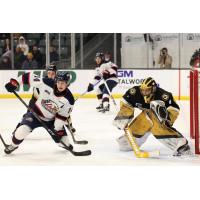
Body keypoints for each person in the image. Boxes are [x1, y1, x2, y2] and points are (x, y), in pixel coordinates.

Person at [113, 77, 192, 156]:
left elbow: (174, 109)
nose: (144, 92)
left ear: (153, 89)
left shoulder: (163, 95)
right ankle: (130, 143)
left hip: (161, 117)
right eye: (142, 90)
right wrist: (123, 117)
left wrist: (166, 119)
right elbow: (126, 103)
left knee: (156, 126)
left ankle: (181, 146)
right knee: (125, 145)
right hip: (147, 114)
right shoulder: (135, 92)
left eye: (147, 90)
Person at [4, 71, 75, 154]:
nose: (60, 85)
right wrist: (15, 82)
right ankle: (13, 145)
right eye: (58, 82)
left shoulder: (69, 99)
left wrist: (57, 129)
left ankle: (65, 144)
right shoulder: (47, 82)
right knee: (20, 132)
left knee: (64, 143)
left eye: (63, 83)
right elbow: (29, 76)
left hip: (51, 121)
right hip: (35, 114)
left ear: (67, 84)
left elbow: (62, 116)